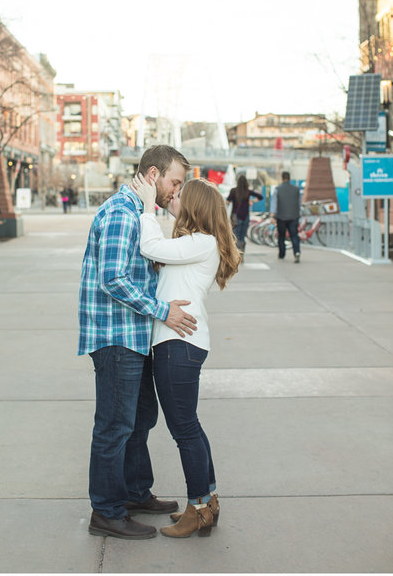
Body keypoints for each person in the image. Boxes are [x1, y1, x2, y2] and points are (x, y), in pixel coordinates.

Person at [78, 144, 198, 540]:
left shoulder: (139, 214)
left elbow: (133, 267)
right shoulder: (120, 213)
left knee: (141, 420)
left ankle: (134, 492)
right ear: (152, 175)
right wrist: (163, 310)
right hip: (116, 336)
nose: (174, 192)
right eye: (174, 182)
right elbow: (113, 278)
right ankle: (107, 512)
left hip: (134, 335)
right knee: (114, 425)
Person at [129, 174, 241, 537]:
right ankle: (207, 499)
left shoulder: (202, 242)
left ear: (193, 205)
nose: (172, 197)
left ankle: (197, 508)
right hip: (181, 344)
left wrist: (147, 206)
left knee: (185, 430)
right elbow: (162, 251)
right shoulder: (196, 243)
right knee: (190, 427)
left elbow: (151, 247)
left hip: (179, 345)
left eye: (178, 195)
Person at [226, 175, 263, 252]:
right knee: (242, 236)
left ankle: (236, 252)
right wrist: (252, 201)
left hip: (236, 216)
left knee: (235, 235)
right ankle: (241, 251)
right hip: (245, 216)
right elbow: (260, 197)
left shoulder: (233, 191)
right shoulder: (248, 192)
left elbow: (227, 201)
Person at [274, 171, 301, 263]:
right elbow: (299, 203)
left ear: (282, 178)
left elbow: (274, 203)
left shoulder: (278, 189)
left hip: (281, 216)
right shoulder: (296, 189)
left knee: (281, 236)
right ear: (289, 178)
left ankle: (282, 254)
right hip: (294, 216)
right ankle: (296, 252)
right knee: (294, 236)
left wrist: (272, 214)